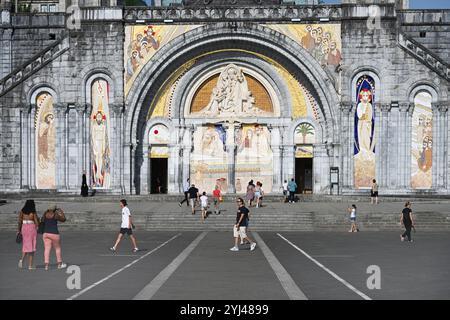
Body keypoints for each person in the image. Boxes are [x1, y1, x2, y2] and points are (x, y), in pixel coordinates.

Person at [41, 206, 67, 270]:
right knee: (57, 248)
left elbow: (42, 220)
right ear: (54, 209)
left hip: (46, 233)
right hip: (54, 233)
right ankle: (59, 264)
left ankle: (46, 266)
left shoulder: (45, 214)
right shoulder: (55, 215)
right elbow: (64, 219)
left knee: (47, 249)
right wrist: (61, 211)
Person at [17, 200, 39, 270]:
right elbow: (36, 223)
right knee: (32, 247)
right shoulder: (33, 212)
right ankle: (30, 266)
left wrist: (19, 230)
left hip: (24, 228)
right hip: (31, 228)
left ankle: (21, 260)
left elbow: (19, 221)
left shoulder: (22, 211)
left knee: (26, 245)